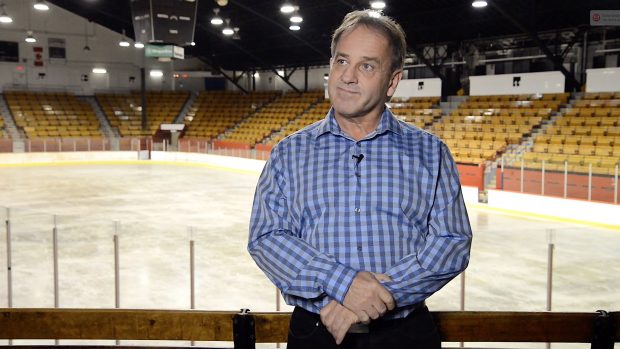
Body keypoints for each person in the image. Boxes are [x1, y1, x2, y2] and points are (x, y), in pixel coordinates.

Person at [248, 9, 472, 349]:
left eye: (366, 66)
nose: (347, 76)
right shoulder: (288, 153)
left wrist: (379, 295)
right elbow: (266, 238)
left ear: (392, 81)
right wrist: (343, 283)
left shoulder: (430, 152)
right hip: (316, 333)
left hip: (404, 336)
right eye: (341, 61)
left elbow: (452, 241)